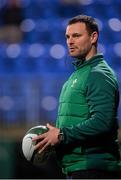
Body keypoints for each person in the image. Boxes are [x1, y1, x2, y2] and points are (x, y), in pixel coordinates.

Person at [33, 14, 121, 179]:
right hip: (77, 168)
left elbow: (103, 121)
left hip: (93, 169)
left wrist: (61, 135)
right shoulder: (77, 75)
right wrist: (55, 135)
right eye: (67, 36)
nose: (70, 41)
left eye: (76, 36)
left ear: (93, 37)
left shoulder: (99, 74)